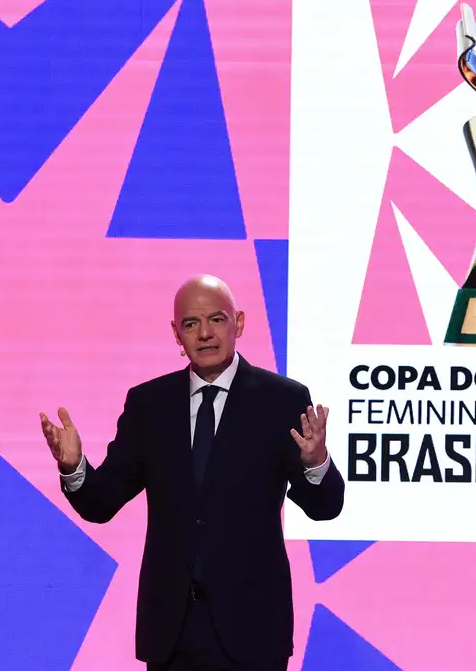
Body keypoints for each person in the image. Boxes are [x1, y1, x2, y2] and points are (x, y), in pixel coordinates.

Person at [39, 274, 344, 671]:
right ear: (176, 334)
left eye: (217, 319)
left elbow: (325, 507)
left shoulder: (282, 400)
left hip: (253, 629)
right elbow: (102, 501)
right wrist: (73, 466)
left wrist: (316, 462)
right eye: (191, 323)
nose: (204, 334)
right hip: (171, 633)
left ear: (239, 323)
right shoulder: (149, 404)